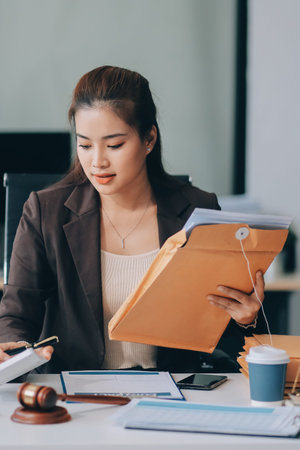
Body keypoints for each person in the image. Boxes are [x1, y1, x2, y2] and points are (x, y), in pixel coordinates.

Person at [0, 66, 264, 373]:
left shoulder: (197, 211)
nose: (97, 161)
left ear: (148, 138)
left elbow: (221, 334)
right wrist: (11, 350)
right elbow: (16, 316)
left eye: (114, 145)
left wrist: (245, 318)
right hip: (75, 393)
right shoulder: (46, 212)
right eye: (84, 144)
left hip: (174, 391)